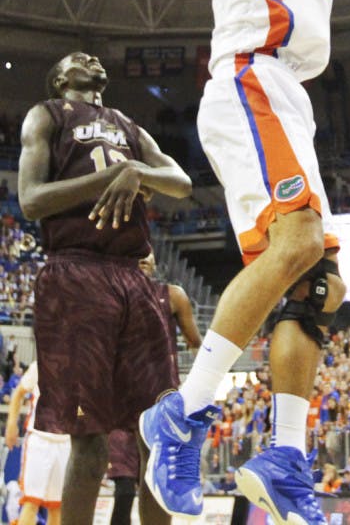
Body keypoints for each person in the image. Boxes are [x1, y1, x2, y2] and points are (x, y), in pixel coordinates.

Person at [139, 0, 346, 524]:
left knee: (319, 285)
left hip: (285, 96)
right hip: (250, 80)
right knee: (296, 240)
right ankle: (182, 413)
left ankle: (285, 458)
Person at [18, 51, 192, 525]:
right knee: (89, 442)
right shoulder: (46, 115)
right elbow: (31, 200)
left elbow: (180, 181)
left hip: (135, 276)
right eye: (78, 57)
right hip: (75, 272)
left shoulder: (130, 126)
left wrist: (137, 172)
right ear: (59, 78)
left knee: (159, 433)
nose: (91, 57)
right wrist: (110, 178)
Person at [4, 360, 71, 525]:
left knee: (58, 506)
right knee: (31, 502)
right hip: (39, 441)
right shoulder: (40, 364)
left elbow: (81, 409)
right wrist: (12, 424)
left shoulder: (82, 367)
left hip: (66, 443)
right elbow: (19, 393)